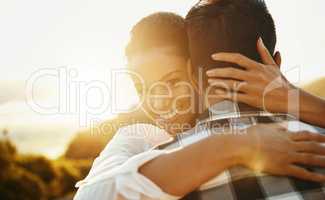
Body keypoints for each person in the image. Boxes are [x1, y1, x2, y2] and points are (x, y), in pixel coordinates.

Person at [74, 10, 325, 200]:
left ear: (196, 72)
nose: (157, 100)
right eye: (142, 88)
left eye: (172, 81)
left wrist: (297, 98)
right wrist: (238, 143)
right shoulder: (140, 139)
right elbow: (91, 195)